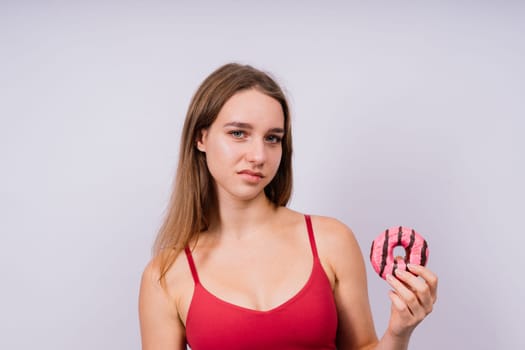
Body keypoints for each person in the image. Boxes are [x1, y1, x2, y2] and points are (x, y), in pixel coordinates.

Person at [139, 63, 438, 350]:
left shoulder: (331, 241)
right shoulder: (165, 275)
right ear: (201, 138)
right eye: (238, 133)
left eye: (272, 138)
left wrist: (399, 331)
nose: (258, 155)